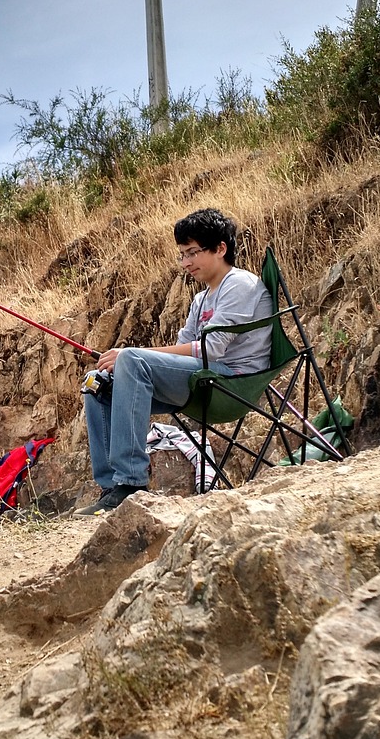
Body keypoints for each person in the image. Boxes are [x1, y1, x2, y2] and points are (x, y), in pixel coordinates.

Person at [76, 208, 272, 516]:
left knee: (131, 359)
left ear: (220, 248)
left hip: (231, 382)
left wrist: (133, 355)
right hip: (201, 381)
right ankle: (112, 488)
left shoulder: (240, 284)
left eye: (193, 253)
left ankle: (131, 483)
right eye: (182, 255)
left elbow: (212, 349)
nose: (186, 263)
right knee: (99, 382)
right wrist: (131, 360)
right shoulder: (201, 299)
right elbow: (183, 347)